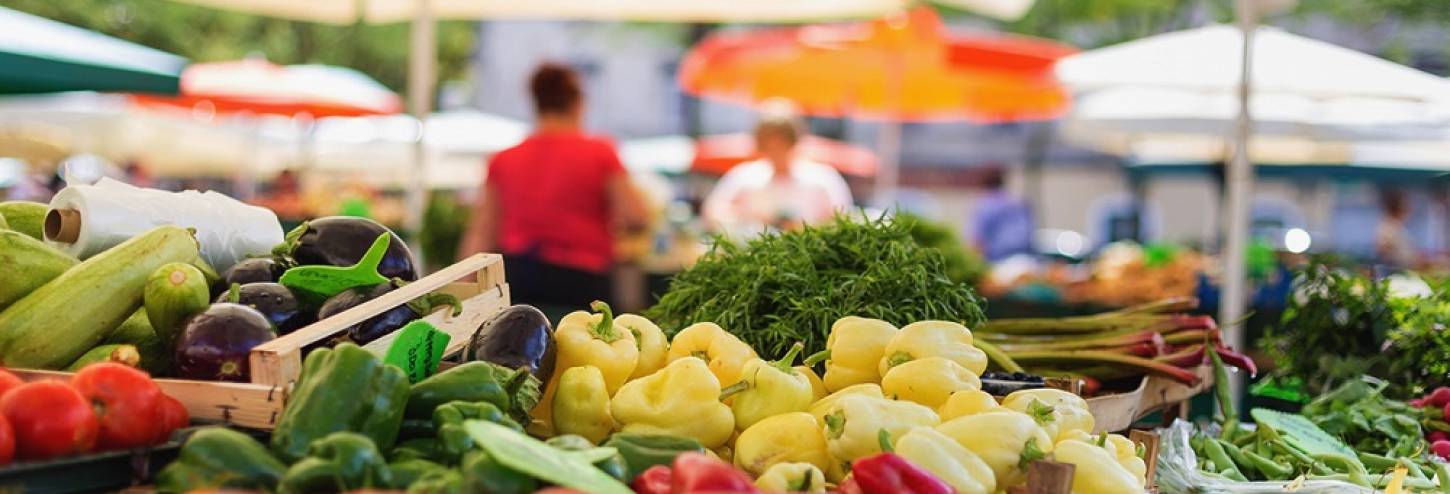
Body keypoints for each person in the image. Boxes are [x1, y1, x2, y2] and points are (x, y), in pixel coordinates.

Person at [459, 63, 647, 311]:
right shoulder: (600, 153)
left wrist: (463, 289)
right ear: (578, 103)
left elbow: (482, 231)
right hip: (583, 279)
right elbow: (635, 216)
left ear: (536, 103)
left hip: (519, 276)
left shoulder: (504, 159)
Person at [702, 101, 853, 237]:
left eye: (782, 145)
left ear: (794, 143)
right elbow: (713, 211)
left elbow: (842, 221)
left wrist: (806, 228)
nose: (776, 152)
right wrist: (746, 217)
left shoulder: (823, 180)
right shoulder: (744, 177)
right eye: (769, 146)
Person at [970, 168, 1035, 262]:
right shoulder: (1019, 202)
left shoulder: (985, 205)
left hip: (998, 261)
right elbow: (1030, 232)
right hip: (1026, 259)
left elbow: (977, 240)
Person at [1375, 188, 1418, 269]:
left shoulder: (1396, 225)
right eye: (1405, 205)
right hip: (1396, 271)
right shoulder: (1387, 227)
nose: (1409, 208)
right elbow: (1382, 253)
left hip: (1404, 269)